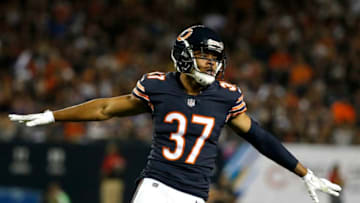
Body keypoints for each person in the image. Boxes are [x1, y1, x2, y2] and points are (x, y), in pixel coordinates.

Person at [9, 25, 341, 203]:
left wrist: (304, 172)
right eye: (204, 55)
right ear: (184, 55)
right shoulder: (158, 86)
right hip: (157, 187)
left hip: (196, 194)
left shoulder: (226, 96)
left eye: (215, 57)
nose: (211, 62)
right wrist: (54, 116)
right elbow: (106, 109)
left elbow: (259, 137)